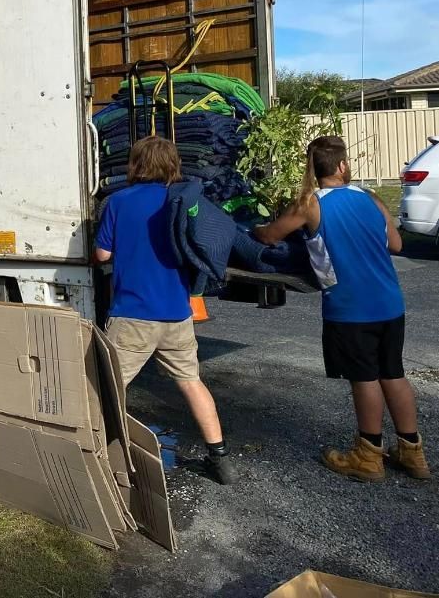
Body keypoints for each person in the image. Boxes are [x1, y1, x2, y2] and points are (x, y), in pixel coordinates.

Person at [255, 135, 429, 482]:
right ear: (342, 165)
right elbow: (395, 244)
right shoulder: (370, 196)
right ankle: (413, 453)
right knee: (393, 374)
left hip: (349, 308)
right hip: (389, 302)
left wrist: (256, 228)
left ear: (314, 168)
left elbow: (270, 236)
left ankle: (368, 455)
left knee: (364, 379)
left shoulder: (309, 203)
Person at [95, 136, 237, 485]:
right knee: (191, 382)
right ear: (173, 165)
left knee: (107, 387)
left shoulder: (118, 202)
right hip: (177, 312)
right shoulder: (182, 202)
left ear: (135, 165)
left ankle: (99, 457)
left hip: (132, 315)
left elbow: (102, 256)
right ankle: (219, 459)